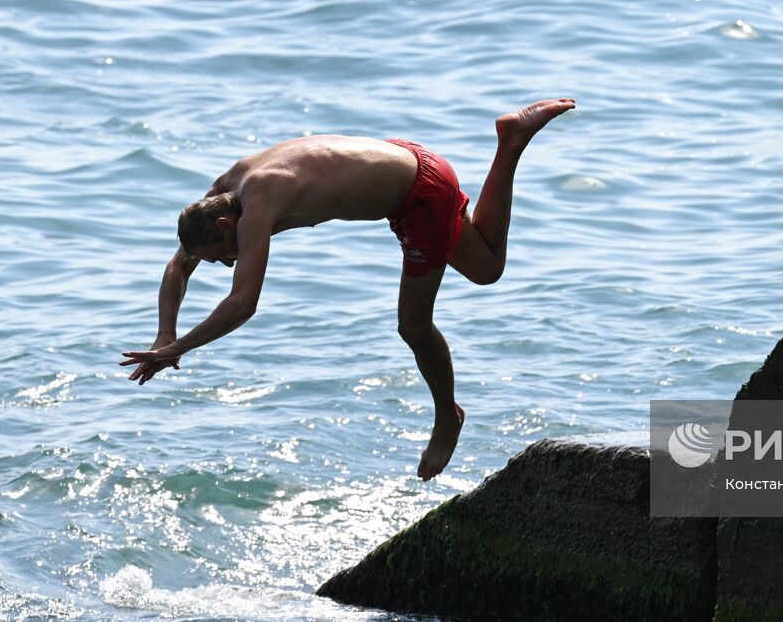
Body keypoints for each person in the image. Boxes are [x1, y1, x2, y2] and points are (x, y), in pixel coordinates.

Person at [120, 98, 576, 480]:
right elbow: (178, 266)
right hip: (408, 161)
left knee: (414, 326)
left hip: (419, 194)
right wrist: (164, 334)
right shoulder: (224, 189)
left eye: (221, 254)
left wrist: (179, 347)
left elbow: (243, 303)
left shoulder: (257, 201)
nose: (224, 262)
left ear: (225, 225)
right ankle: (511, 140)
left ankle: (446, 417)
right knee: (487, 268)